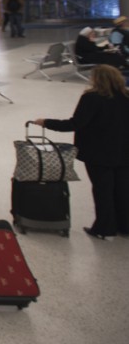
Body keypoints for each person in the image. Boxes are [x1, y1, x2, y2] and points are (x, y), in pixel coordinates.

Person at [32, 64, 129, 239]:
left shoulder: (92, 98)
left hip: (99, 153)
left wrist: (46, 122)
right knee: (123, 189)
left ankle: (105, 229)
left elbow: (75, 124)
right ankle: (125, 226)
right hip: (124, 152)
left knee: (103, 190)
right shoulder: (126, 96)